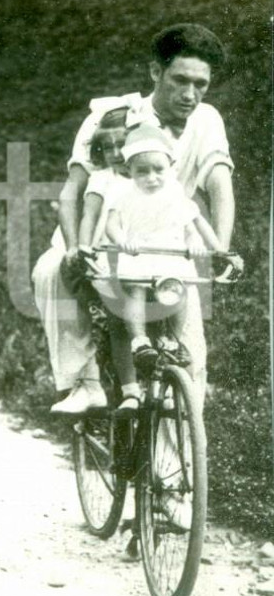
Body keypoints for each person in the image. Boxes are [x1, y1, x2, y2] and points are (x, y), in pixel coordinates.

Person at [34, 23, 238, 416]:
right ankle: (85, 382)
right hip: (103, 236)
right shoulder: (111, 116)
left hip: (162, 245)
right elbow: (73, 191)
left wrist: (222, 249)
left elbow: (219, 184)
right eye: (180, 80)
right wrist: (77, 246)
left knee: (191, 356)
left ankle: (181, 460)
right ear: (154, 72)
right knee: (49, 271)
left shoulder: (207, 120)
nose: (190, 94)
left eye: (201, 84)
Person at [99, 123, 223, 416]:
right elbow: (111, 224)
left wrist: (213, 247)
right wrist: (123, 241)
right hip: (141, 254)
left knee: (179, 289)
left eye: (158, 170)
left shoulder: (177, 195)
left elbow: (195, 224)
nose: (151, 178)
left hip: (170, 255)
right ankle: (140, 339)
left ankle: (174, 341)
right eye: (142, 171)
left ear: (170, 167)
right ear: (130, 171)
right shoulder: (126, 195)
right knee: (135, 288)